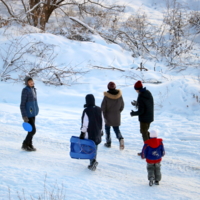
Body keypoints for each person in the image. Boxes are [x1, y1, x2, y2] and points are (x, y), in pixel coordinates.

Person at [80, 94, 104, 171]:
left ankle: (92, 163)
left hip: (89, 132)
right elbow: (103, 121)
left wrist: (82, 132)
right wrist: (101, 130)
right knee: (95, 147)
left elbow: (85, 123)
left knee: (90, 148)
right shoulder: (99, 109)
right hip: (97, 132)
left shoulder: (86, 110)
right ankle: (93, 161)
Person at [130, 81, 154, 154]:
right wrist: (137, 104)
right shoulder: (147, 93)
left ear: (137, 89)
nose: (135, 91)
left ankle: (147, 150)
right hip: (149, 116)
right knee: (145, 132)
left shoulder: (141, 96)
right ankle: (152, 145)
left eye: (135, 89)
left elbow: (141, 111)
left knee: (144, 133)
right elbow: (146, 104)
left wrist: (133, 113)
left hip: (144, 118)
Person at [101, 82, 125, 150]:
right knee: (116, 129)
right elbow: (122, 106)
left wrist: (103, 116)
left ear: (108, 87)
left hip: (107, 117)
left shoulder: (106, 97)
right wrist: (118, 112)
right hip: (116, 116)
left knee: (107, 130)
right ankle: (120, 139)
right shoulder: (119, 96)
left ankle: (108, 143)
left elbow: (103, 108)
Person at [20, 76, 39, 151]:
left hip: (33, 113)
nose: (31, 83)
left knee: (31, 130)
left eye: (32, 81)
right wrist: (24, 116)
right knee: (32, 130)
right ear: (26, 83)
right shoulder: (25, 90)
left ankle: (29, 144)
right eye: (29, 82)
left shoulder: (33, 89)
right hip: (28, 114)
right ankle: (25, 144)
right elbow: (22, 104)